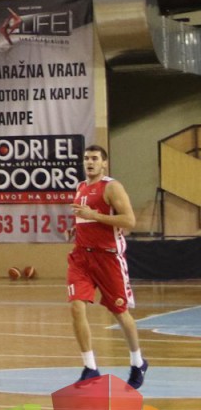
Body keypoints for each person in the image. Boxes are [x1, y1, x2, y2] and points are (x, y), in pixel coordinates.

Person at [68, 144, 147, 389]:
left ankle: (138, 362)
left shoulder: (112, 187)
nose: (89, 162)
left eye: (94, 158)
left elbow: (129, 221)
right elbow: (85, 217)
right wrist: (77, 227)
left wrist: (94, 216)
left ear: (104, 163)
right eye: (86, 158)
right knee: (76, 307)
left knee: (120, 312)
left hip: (108, 258)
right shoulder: (80, 187)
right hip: (81, 257)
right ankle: (90, 367)